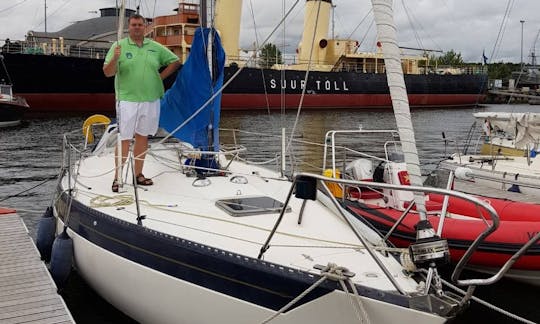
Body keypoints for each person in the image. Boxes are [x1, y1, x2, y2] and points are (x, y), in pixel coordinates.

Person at [103, 14, 181, 192]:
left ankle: (138, 174)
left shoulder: (155, 47)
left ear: (145, 27)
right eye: (134, 25)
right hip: (127, 99)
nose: (137, 27)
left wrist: (159, 78)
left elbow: (175, 62)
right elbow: (107, 72)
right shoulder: (118, 46)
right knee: (124, 138)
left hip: (150, 99)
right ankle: (118, 178)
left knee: (142, 137)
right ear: (128, 27)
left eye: (140, 25)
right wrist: (115, 59)